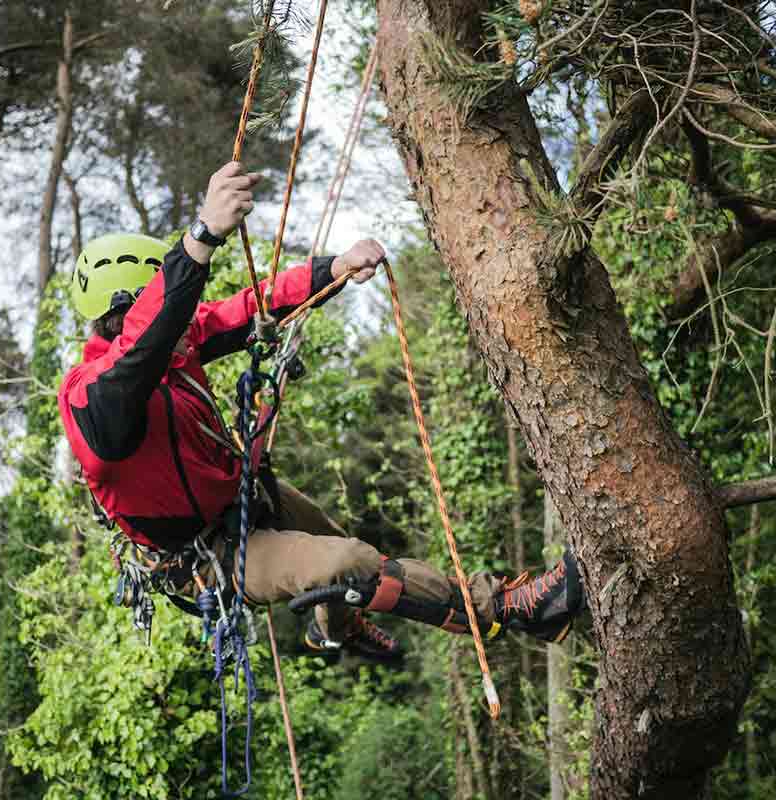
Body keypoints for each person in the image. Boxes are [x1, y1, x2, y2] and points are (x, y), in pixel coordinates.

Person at [58, 161, 583, 660]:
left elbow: (250, 308)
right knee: (348, 563)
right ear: (128, 316)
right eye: (175, 314)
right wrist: (201, 236)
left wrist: (334, 268)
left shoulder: (179, 341)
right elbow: (138, 357)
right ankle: (509, 611)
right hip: (208, 558)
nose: (191, 323)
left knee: (333, 539)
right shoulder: (92, 399)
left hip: (241, 500)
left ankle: (336, 628)